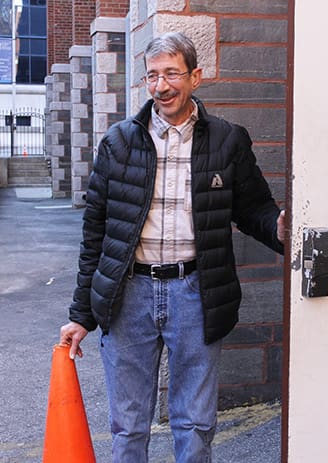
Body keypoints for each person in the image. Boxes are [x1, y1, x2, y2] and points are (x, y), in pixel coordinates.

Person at [59, 32, 286, 462]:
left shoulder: (227, 140)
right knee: (128, 425)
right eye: (152, 76)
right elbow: (96, 236)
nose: (161, 86)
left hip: (196, 292)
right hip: (130, 295)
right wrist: (81, 314)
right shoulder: (119, 143)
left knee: (195, 423)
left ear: (195, 76)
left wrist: (278, 228)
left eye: (171, 74)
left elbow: (253, 207)